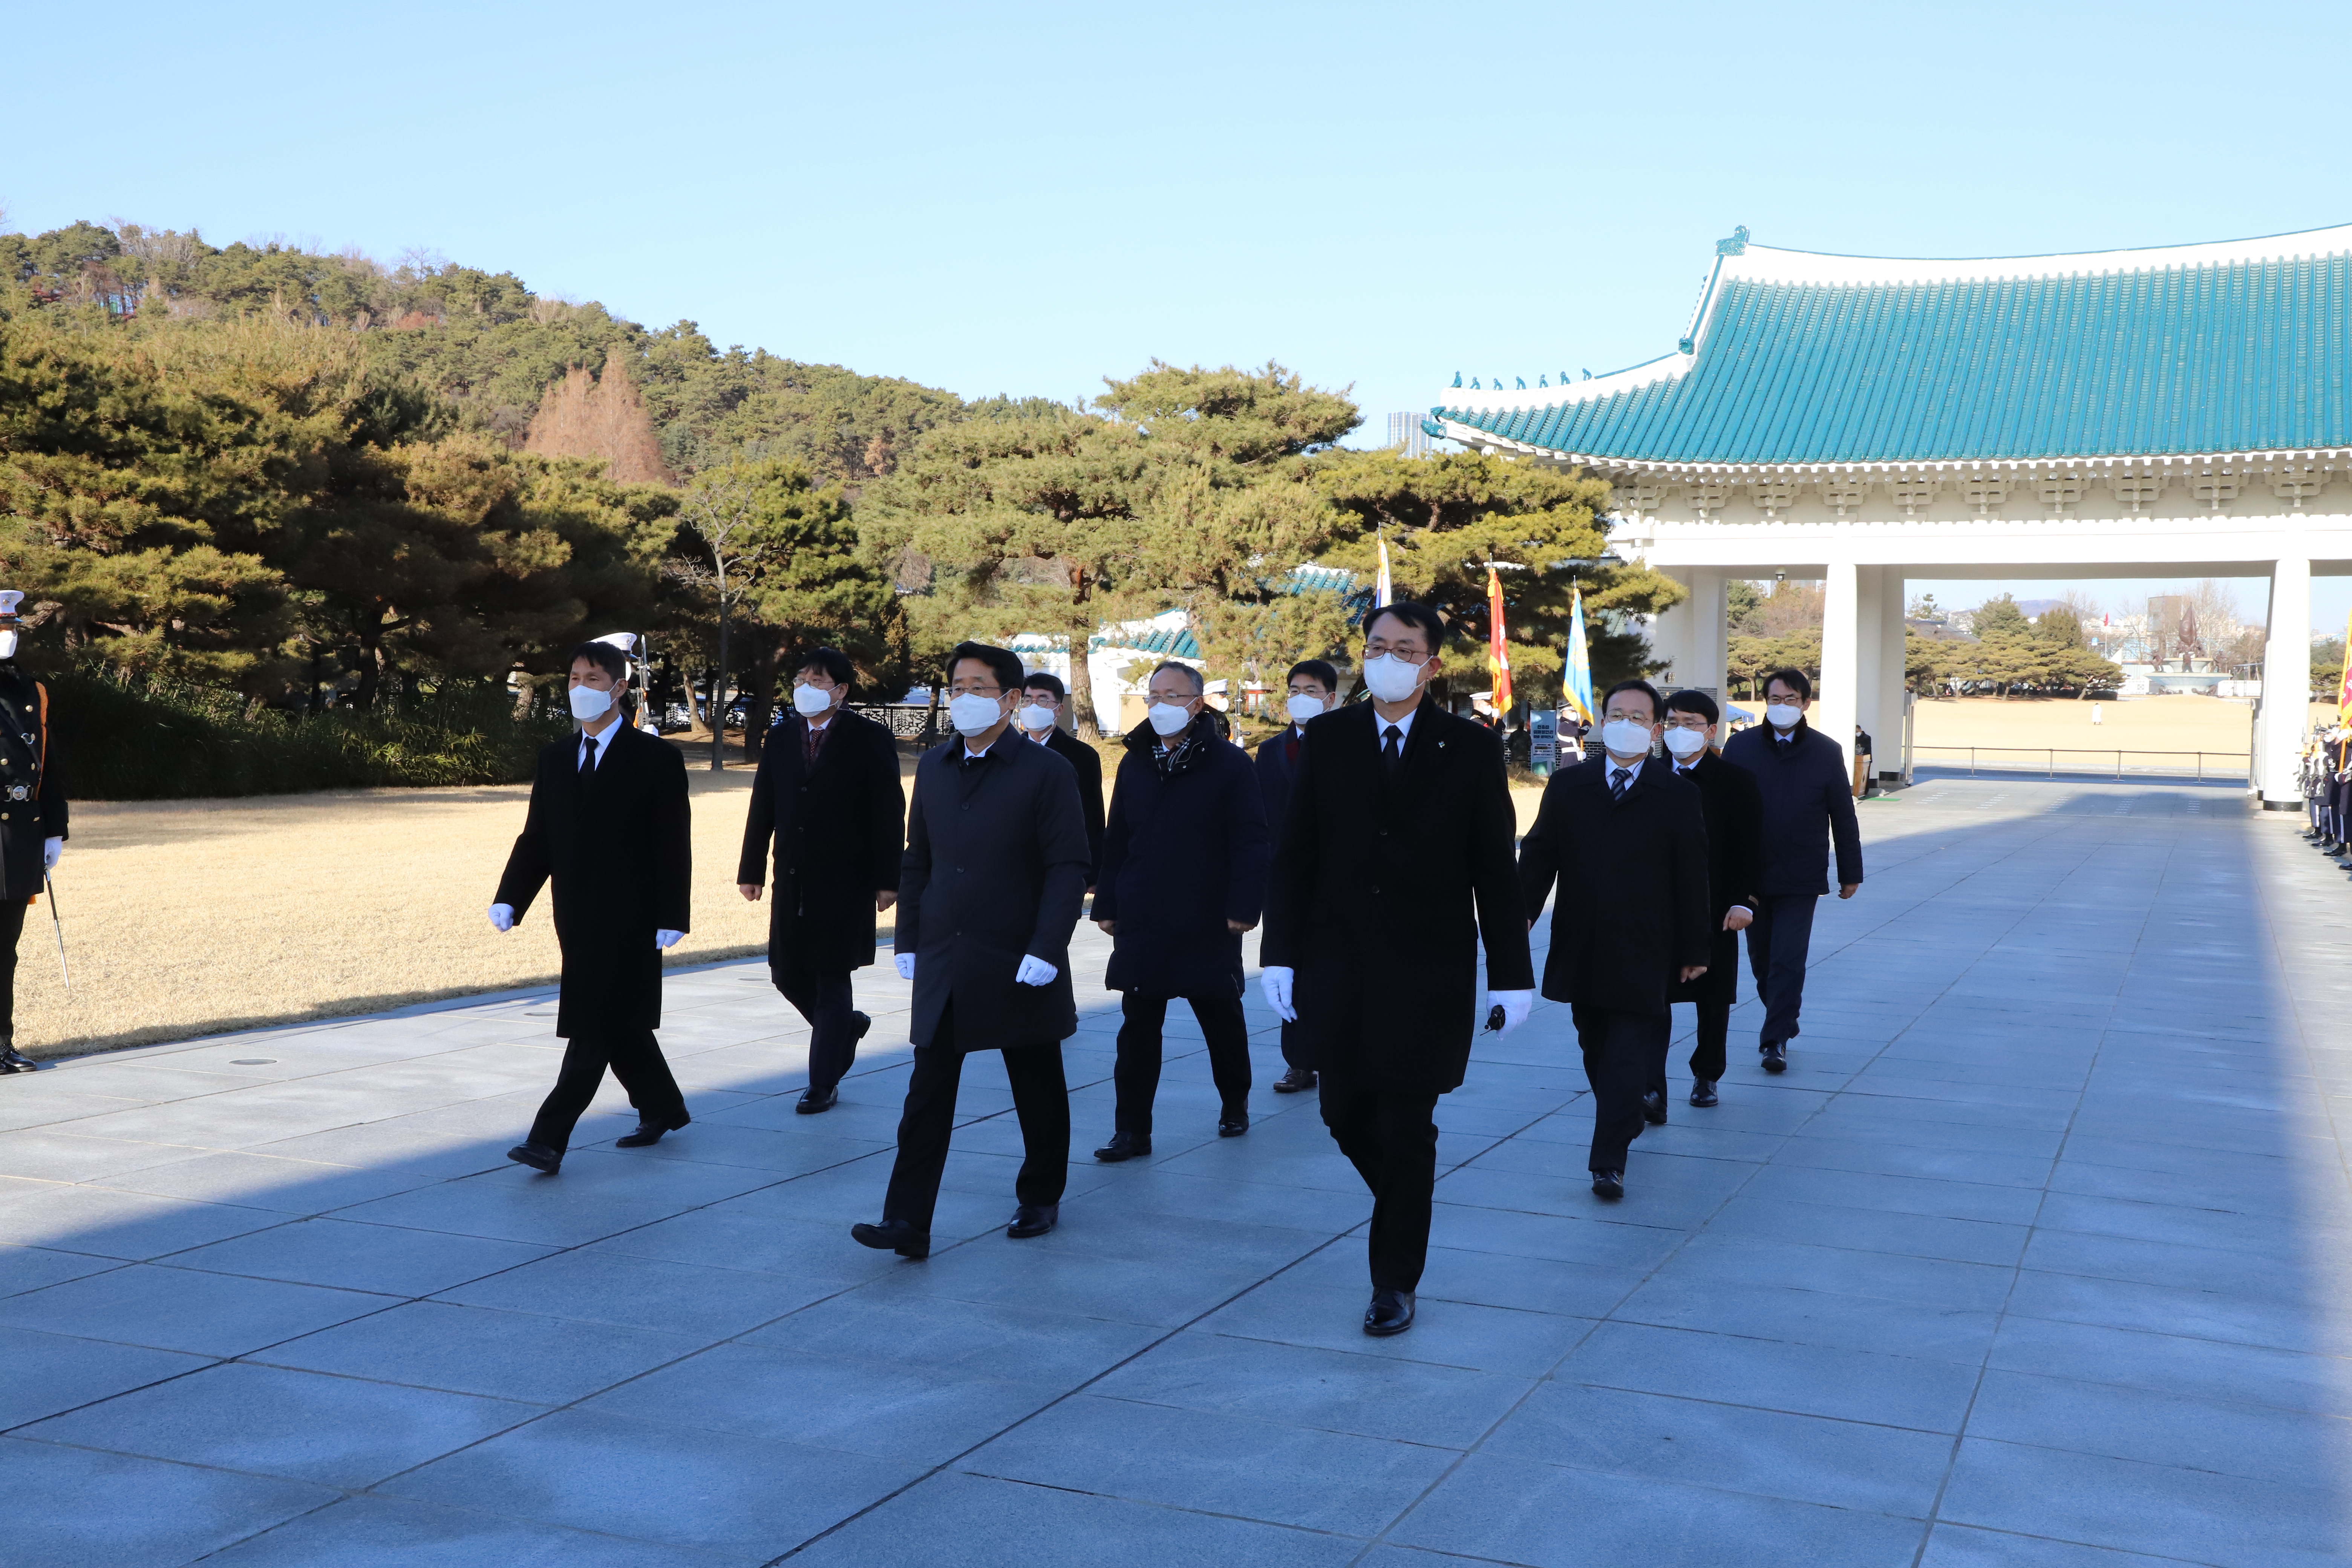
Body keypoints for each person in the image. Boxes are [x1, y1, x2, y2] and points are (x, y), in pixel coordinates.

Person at [1261, 601, 1533, 1338]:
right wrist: (1277, 952)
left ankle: (1393, 1282)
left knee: (1408, 1128)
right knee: (1342, 1112)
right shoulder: (1329, 737)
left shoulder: (1470, 749)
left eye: (1405, 648)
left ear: (1431, 664)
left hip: (1427, 971)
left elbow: (1493, 869)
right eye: (1377, 646)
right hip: (1337, 965)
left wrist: (1512, 973)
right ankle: (1406, 1204)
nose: (1389, 658)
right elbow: (1296, 855)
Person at [851, 640, 1090, 1259]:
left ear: (1011, 699)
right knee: (927, 1091)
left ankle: (1041, 1195)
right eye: (957, 686)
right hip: (946, 956)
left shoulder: (1047, 772)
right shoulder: (933, 766)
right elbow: (919, 858)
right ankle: (906, 1221)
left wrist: (1047, 946)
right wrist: (907, 938)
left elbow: (1068, 866)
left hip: (1018, 957)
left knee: (1035, 1081)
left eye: (979, 687)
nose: (964, 698)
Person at [493, 640, 692, 1173]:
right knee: (620, 1020)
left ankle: (548, 1138)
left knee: (591, 1026)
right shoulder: (556, 758)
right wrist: (512, 897)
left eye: (594, 680)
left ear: (621, 688)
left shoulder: (657, 760)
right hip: (576, 916)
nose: (581, 689)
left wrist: (674, 914)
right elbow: (538, 837)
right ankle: (663, 1106)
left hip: (633, 918)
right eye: (574, 679)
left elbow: (673, 843)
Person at [1517, 680, 1710, 1200]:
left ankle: (1608, 1161)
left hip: (1646, 948)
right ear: (1602, 722)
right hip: (1581, 942)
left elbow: (1693, 876)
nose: (1626, 723)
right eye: (1616, 713)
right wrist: (1519, 915)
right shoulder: (1569, 786)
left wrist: (1696, 950)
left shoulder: (1677, 794)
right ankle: (1624, 1113)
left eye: (1638, 716)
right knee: (1595, 1045)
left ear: (1655, 729)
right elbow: (1539, 856)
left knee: (1626, 1053)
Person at [1090, 662, 1268, 1159]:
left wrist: (1242, 907)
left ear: (1197, 703)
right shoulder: (1135, 763)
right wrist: (1107, 903)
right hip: (1144, 914)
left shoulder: (1231, 765)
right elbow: (1117, 838)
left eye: (1172, 695)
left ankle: (1235, 1102)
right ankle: (1132, 1131)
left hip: (1206, 916)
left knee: (1221, 1019)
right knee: (1138, 1028)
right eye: (1153, 695)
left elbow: (1251, 841)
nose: (1160, 705)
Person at [737, 647, 906, 1115]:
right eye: (801, 680)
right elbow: (763, 805)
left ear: (841, 690)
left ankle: (822, 1082)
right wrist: (750, 868)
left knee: (832, 976)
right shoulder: (781, 736)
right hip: (791, 874)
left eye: (817, 681)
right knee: (786, 973)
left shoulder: (870, 738)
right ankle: (845, 1029)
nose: (806, 689)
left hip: (846, 878)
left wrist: (888, 879)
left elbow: (889, 813)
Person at [1720, 668, 1863, 1075]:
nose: (1782, 706)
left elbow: (1843, 814)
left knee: (1788, 959)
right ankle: (1784, 1014)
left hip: (1801, 872)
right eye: (1774, 699)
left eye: (1790, 699)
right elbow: (1721, 809)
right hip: (1750, 875)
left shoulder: (1826, 750)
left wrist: (1850, 871)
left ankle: (1774, 1039)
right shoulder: (1741, 746)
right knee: (1762, 959)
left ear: (1805, 703)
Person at [1654, 690, 1763, 1110]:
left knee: (1712, 1000)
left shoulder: (1737, 782)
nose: (1682, 731)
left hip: (1716, 908)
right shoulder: (1648, 775)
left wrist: (1744, 901)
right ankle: (1651, 1084)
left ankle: (1707, 1074)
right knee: (1652, 999)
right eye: (1674, 723)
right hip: (1657, 908)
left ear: (1712, 730)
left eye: (1693, 723)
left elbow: (1750, 849)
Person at [1253, 658, 1338, 1094]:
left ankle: (1339, 1054)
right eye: (1294, 689)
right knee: (1288, 966)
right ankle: (1299, 1060)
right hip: (1284, 877)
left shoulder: (1347, 744)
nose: (1299, 697)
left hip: (1338, 875)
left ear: (1331, 697)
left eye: (1310, 690)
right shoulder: (1270, 751)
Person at [0, 592, 63, 1076]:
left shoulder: (32, 689)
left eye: (11, 624)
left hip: (20, 830)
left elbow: (50, 764)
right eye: (1, 625)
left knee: (6, 946)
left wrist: (54, 830)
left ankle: (1, 1045)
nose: (9, 633)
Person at [1015, 672, 1106, 890]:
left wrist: (1093, 873)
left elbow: (1092, 816)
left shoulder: (1082, 756)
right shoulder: (1010, 752)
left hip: (1061, 867)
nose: (1034, 706)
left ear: (1059, 709)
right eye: (1028, 700)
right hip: (1014, 867)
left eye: (1043, 700)